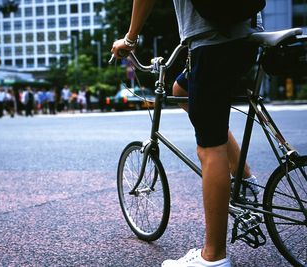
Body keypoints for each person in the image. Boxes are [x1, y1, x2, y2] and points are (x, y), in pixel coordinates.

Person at [111, 1, 263, 266]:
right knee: (182, 92)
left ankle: (213, 257)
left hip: (213, 43)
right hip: (246, 36)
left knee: (209, 148)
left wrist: (130, 39)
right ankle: (243, 177)